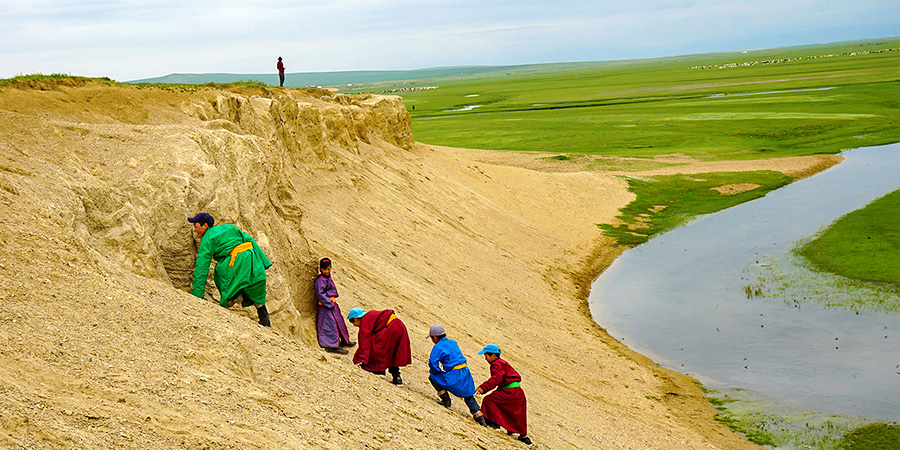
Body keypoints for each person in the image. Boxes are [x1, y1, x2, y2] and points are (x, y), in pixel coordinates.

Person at [189, 212, 272, 327]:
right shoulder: (229, 227)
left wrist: (197, 296)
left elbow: (201, 267)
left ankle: (233, 296)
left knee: (220, 271)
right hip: (251, 256)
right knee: (255, 287)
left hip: (236, 260)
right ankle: (264, 319)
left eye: (196, 226)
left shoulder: (207, 238)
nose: (194, 229)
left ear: (205, 225)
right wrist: (263, 261)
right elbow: (249, 239)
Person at [427, 324, 487, 426]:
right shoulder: (452, 342)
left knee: (433, 376)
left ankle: (446, 400)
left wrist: (437, 371)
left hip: (454, 375)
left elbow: (433, 363)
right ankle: (479, 417)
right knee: (468, 395)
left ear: (435, 337)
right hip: (465, 372)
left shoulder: (438, 346)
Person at [475, 343, 531, 446]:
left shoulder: (497, 364)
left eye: (486, 355)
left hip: (509, 391)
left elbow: (496, 378)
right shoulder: (503, 363)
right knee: (517, 413)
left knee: (489, 400)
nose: (485, 358)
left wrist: (483, 387)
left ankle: (493, 424)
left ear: (493, 355)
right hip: (518, 391)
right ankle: (524, 437)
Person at [347, 307, 411, 385]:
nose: (353, 325)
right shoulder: (371, 315)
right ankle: (396, 377)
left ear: (356, 318)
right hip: (400, 326)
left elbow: (365, 342)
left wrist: (362, 360)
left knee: (376, 344)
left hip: (391, 328)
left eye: (352, 321)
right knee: (392, 351)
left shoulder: (365, 320)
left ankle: (378, 370)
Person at [314, 258, 354, 354]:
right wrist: (329, 302)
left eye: (329, 269)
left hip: (332, 305)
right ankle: (332, 346)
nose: (327, 271)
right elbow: (320, 294)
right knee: (330, 325)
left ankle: (344, 341)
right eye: (325, 269)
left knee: (339, 322)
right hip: (325, 306)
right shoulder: (320, 280)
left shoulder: (327, 277)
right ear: (320, 269)